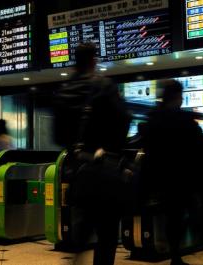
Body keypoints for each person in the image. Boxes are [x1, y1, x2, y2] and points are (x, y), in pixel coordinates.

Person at [53, 42, 130, 265]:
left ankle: (76, 258)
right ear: (93, 60)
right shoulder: (104, 86)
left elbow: (58, 136)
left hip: (79, 171)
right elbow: (123, 120)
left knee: (85, 224)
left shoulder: (64, 90)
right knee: (106, 233)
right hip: (105, 168)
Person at [143, 80, 203, 265]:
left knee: (171, 215)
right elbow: (197, 144)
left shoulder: (152, 117)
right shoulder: (184, 120)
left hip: (159, 177)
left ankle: (174, 254)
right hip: (181, 177)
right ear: (177, 97)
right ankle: (177, 254)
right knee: (184, 214)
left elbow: (147, 145)